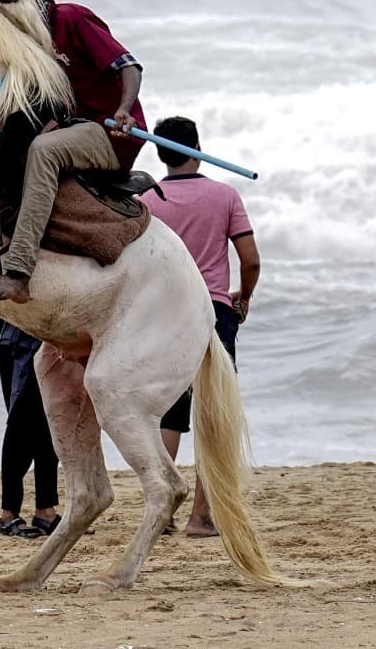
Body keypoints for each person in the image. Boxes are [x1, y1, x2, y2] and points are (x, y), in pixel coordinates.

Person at [137, 116, 260, 538]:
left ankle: (162, 512)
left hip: (165, 310)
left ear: (159, 153)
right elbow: (251, 259)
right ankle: (201, 517)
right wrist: (244, 296)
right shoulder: (225, 195)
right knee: (213, 412)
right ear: (198, 147)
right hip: (213, 309)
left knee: (170, 412)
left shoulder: (149, 200)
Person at [0, 0, 146, 304]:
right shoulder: (31, 38)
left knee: (45, 149)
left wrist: (124, 109)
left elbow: (130, 66)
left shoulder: (72, 18)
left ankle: (19, 272)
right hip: (77, 126)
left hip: (110, 133)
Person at [0, 319, 61, 537]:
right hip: (22, 340)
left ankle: (45, 510)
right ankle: (8, 513)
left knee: (49, 424)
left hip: (51, 338)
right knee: (20, 425)